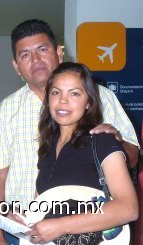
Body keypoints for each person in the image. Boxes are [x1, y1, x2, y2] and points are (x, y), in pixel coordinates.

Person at [0, 19, 139, 245]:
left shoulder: (103, 98)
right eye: (25, 55)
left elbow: (132, 161)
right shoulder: (7, 115)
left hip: (90, 233)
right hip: (26, 230)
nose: (35, 60)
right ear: (16, 66)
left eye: (42, 49)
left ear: (59, 52)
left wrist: (114, 142)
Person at [25, 62, 138, 244]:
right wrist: (24, 221)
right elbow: (41, 207)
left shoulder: (101, 141)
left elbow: (129, 208)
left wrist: (62, 225)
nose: (63, 100)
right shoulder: (47, 147)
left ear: (88, 103)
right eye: (56, 92)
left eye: (75, 93)